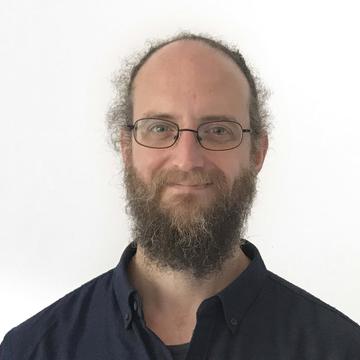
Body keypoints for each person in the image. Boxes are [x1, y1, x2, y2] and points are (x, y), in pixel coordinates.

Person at [1, 32, 359, 360]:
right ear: (126, 148)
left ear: (257, 153)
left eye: (218, 130)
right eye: (159, 128)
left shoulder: (341, 349)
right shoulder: (31, 350)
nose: (187, 160)